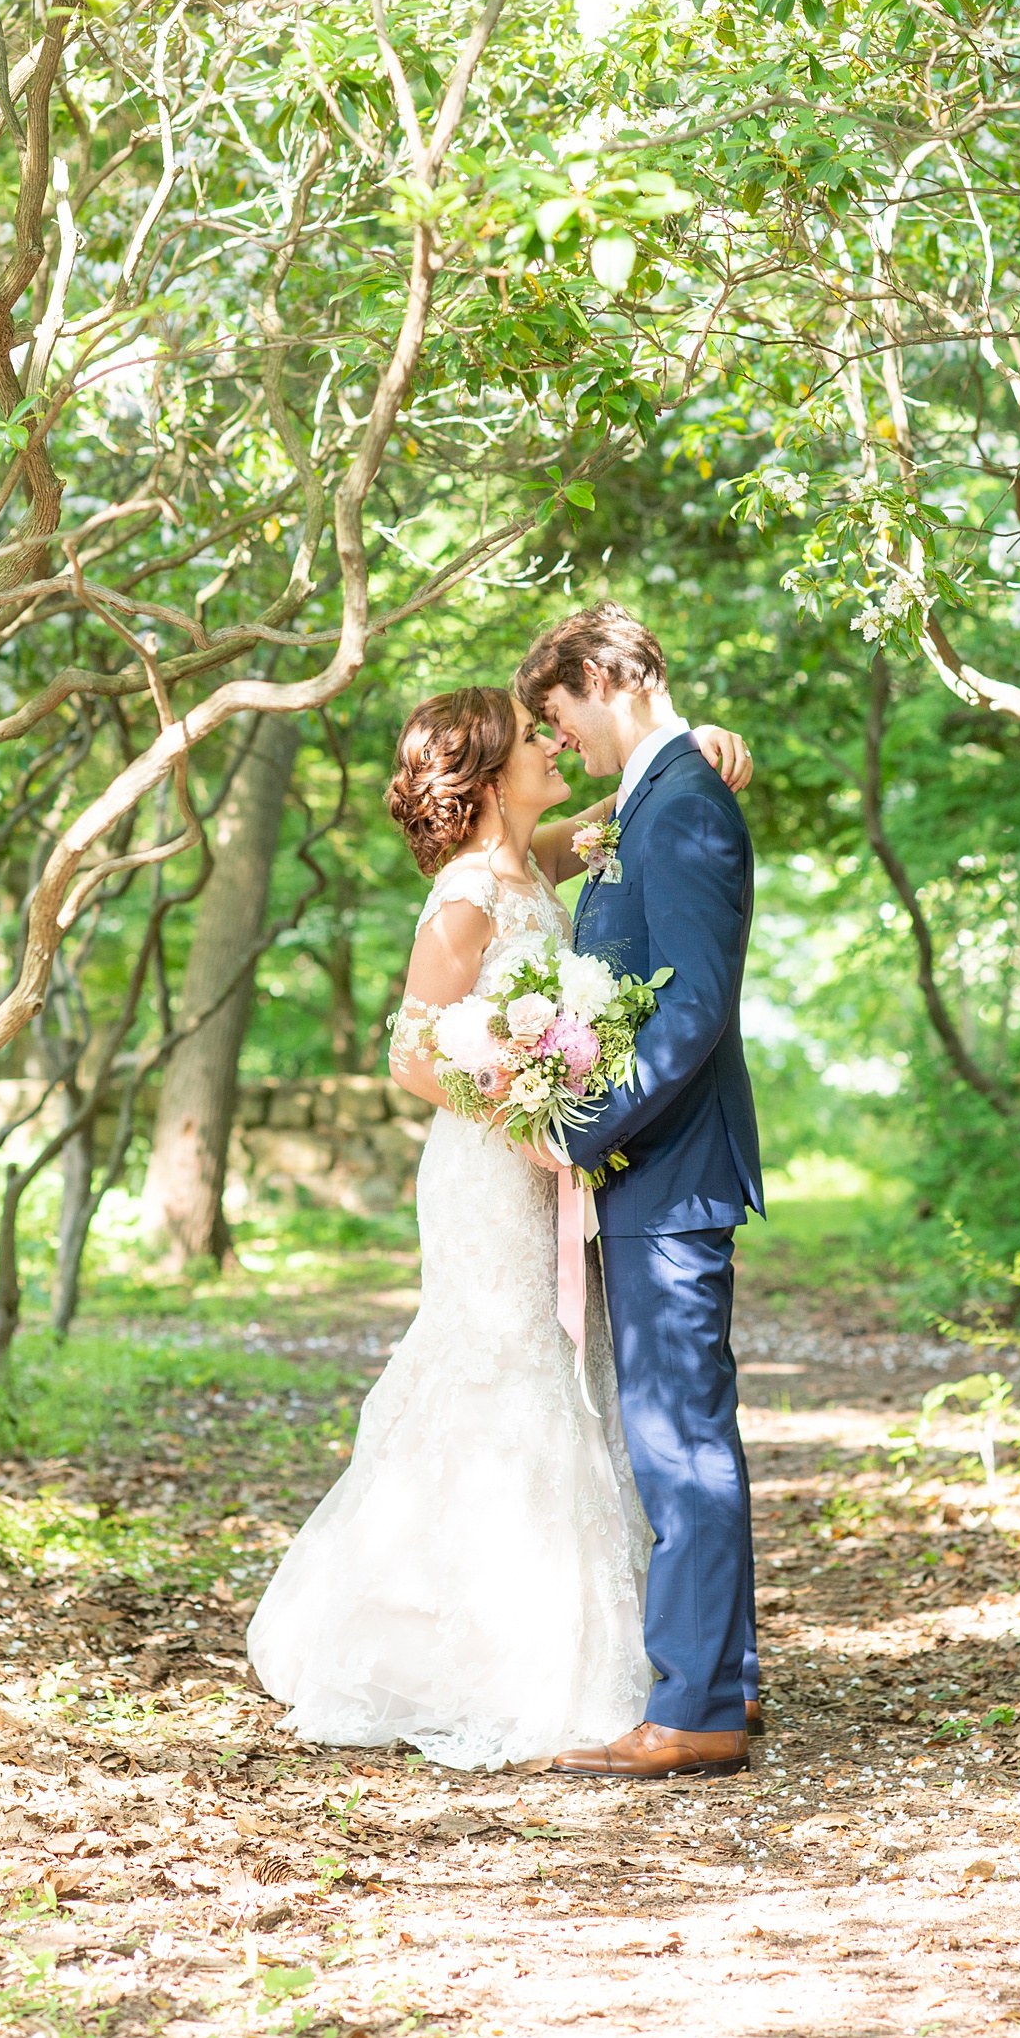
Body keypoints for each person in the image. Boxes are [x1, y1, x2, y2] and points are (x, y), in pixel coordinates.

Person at [245, 675, 753, 1771]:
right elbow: (411, 1049)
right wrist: (520, 1112)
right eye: (532, 740)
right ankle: (475, 1654)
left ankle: (595, 1646)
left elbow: (636, 795)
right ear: (483, 774)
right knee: (502, 1368)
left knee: (574, 1383)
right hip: (490, 1169)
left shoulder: (534, 859)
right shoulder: (468, 893)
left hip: (552, 1161)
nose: (551, 748)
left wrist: (692, 735)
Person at [514, 604, 764, 1783]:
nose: (558, 744)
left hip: (666, 1171)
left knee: (679, 1439)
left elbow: (695, 1006)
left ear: (608, 677)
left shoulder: (680, 805)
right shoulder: (653, 797)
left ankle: (703, 1707)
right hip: (649, 1172)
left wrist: (581, 1129)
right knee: (672, 1435)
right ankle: (718, 1681)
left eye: (559, 717)